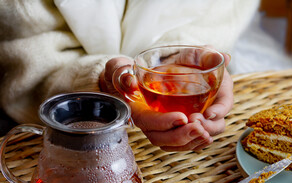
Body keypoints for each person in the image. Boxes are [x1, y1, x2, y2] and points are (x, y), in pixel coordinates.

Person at [0, 0, 268, 151]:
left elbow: (215, 14)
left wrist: (174, 57)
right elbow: (26, 52)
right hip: (30, 118)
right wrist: (102, 86)